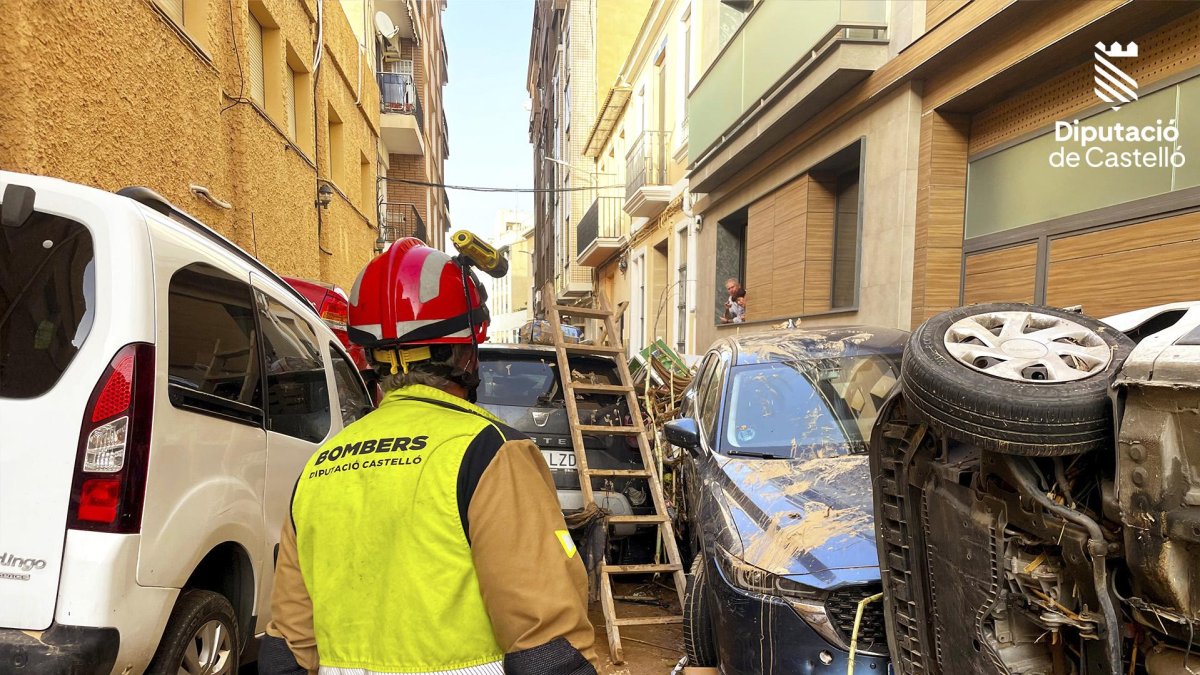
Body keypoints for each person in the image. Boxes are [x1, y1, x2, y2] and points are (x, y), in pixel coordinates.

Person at [260, 238, 598, 675]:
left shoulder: (320, 467)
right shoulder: (490, 452)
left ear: (370, 358)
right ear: (466, 353)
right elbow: (548, 645)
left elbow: (286, 649)